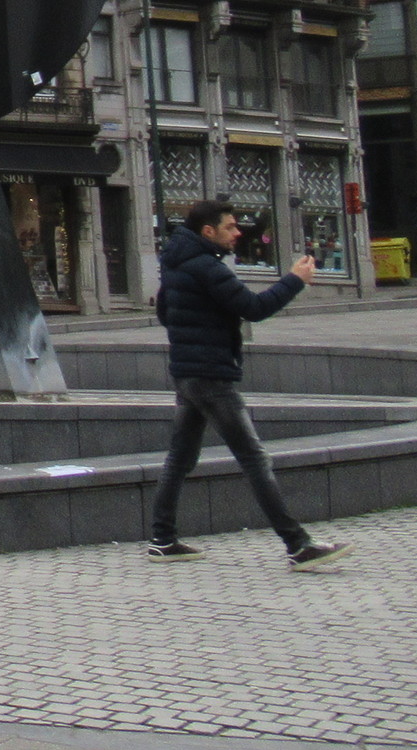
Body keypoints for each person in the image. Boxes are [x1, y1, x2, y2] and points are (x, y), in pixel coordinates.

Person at [148, 201, 351, 570]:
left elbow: (165, 313)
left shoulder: (175, 264)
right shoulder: (207, 266)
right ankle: (298, 545)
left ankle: (162, 539)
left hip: (187, 374)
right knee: (254, 459)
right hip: (212, 376)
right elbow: (254, 308)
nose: (238, 232)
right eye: (230, 227)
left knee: (180, 457)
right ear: (208, 231)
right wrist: (294, 280)